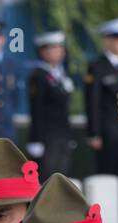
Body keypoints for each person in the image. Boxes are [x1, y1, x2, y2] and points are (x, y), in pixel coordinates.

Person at [85, 17, 118, 176]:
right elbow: (92, 102)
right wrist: (94, 133)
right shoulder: (97, 67)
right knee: (107, 174)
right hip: (107, 133)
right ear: (107, 41)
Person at [25, 31, 76, 178]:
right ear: (43, 51)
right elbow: (37, 109)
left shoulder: (61, 75)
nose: (59, 52)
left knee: (62, 179)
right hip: (46, 139)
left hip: (62, 137)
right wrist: (36, 139)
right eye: (53, 48)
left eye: (60, 48)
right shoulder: (39, 76)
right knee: (47, 180)